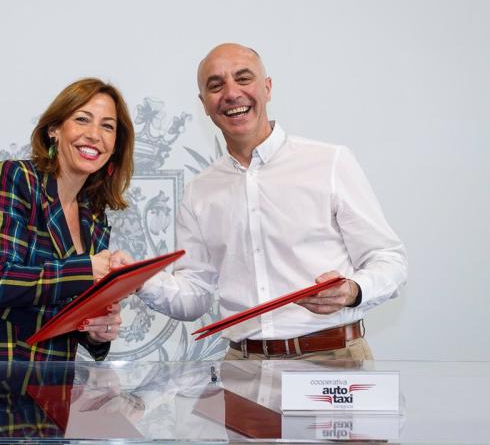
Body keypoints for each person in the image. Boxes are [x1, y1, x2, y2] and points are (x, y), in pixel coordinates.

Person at [129, 43, 408, 361]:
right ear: (204, 103)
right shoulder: (198, 192)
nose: (231, 93)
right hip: (243, 365)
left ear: (268, 87)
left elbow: (389, 260)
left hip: (332, 358)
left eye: (243, 78)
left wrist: (353, 290)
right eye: (216, 86)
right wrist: (137, 280)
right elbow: (195, 294)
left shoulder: (330, 162)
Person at [0, 77, 135, 362]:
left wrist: (95, 331)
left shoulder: (94, 215)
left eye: (107, 126)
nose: (95, 135)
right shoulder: (14, 178)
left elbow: (62, 309)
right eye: (82, 119)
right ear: (54, 129)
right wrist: (87, 269)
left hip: (52, 381)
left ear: (116, 145)